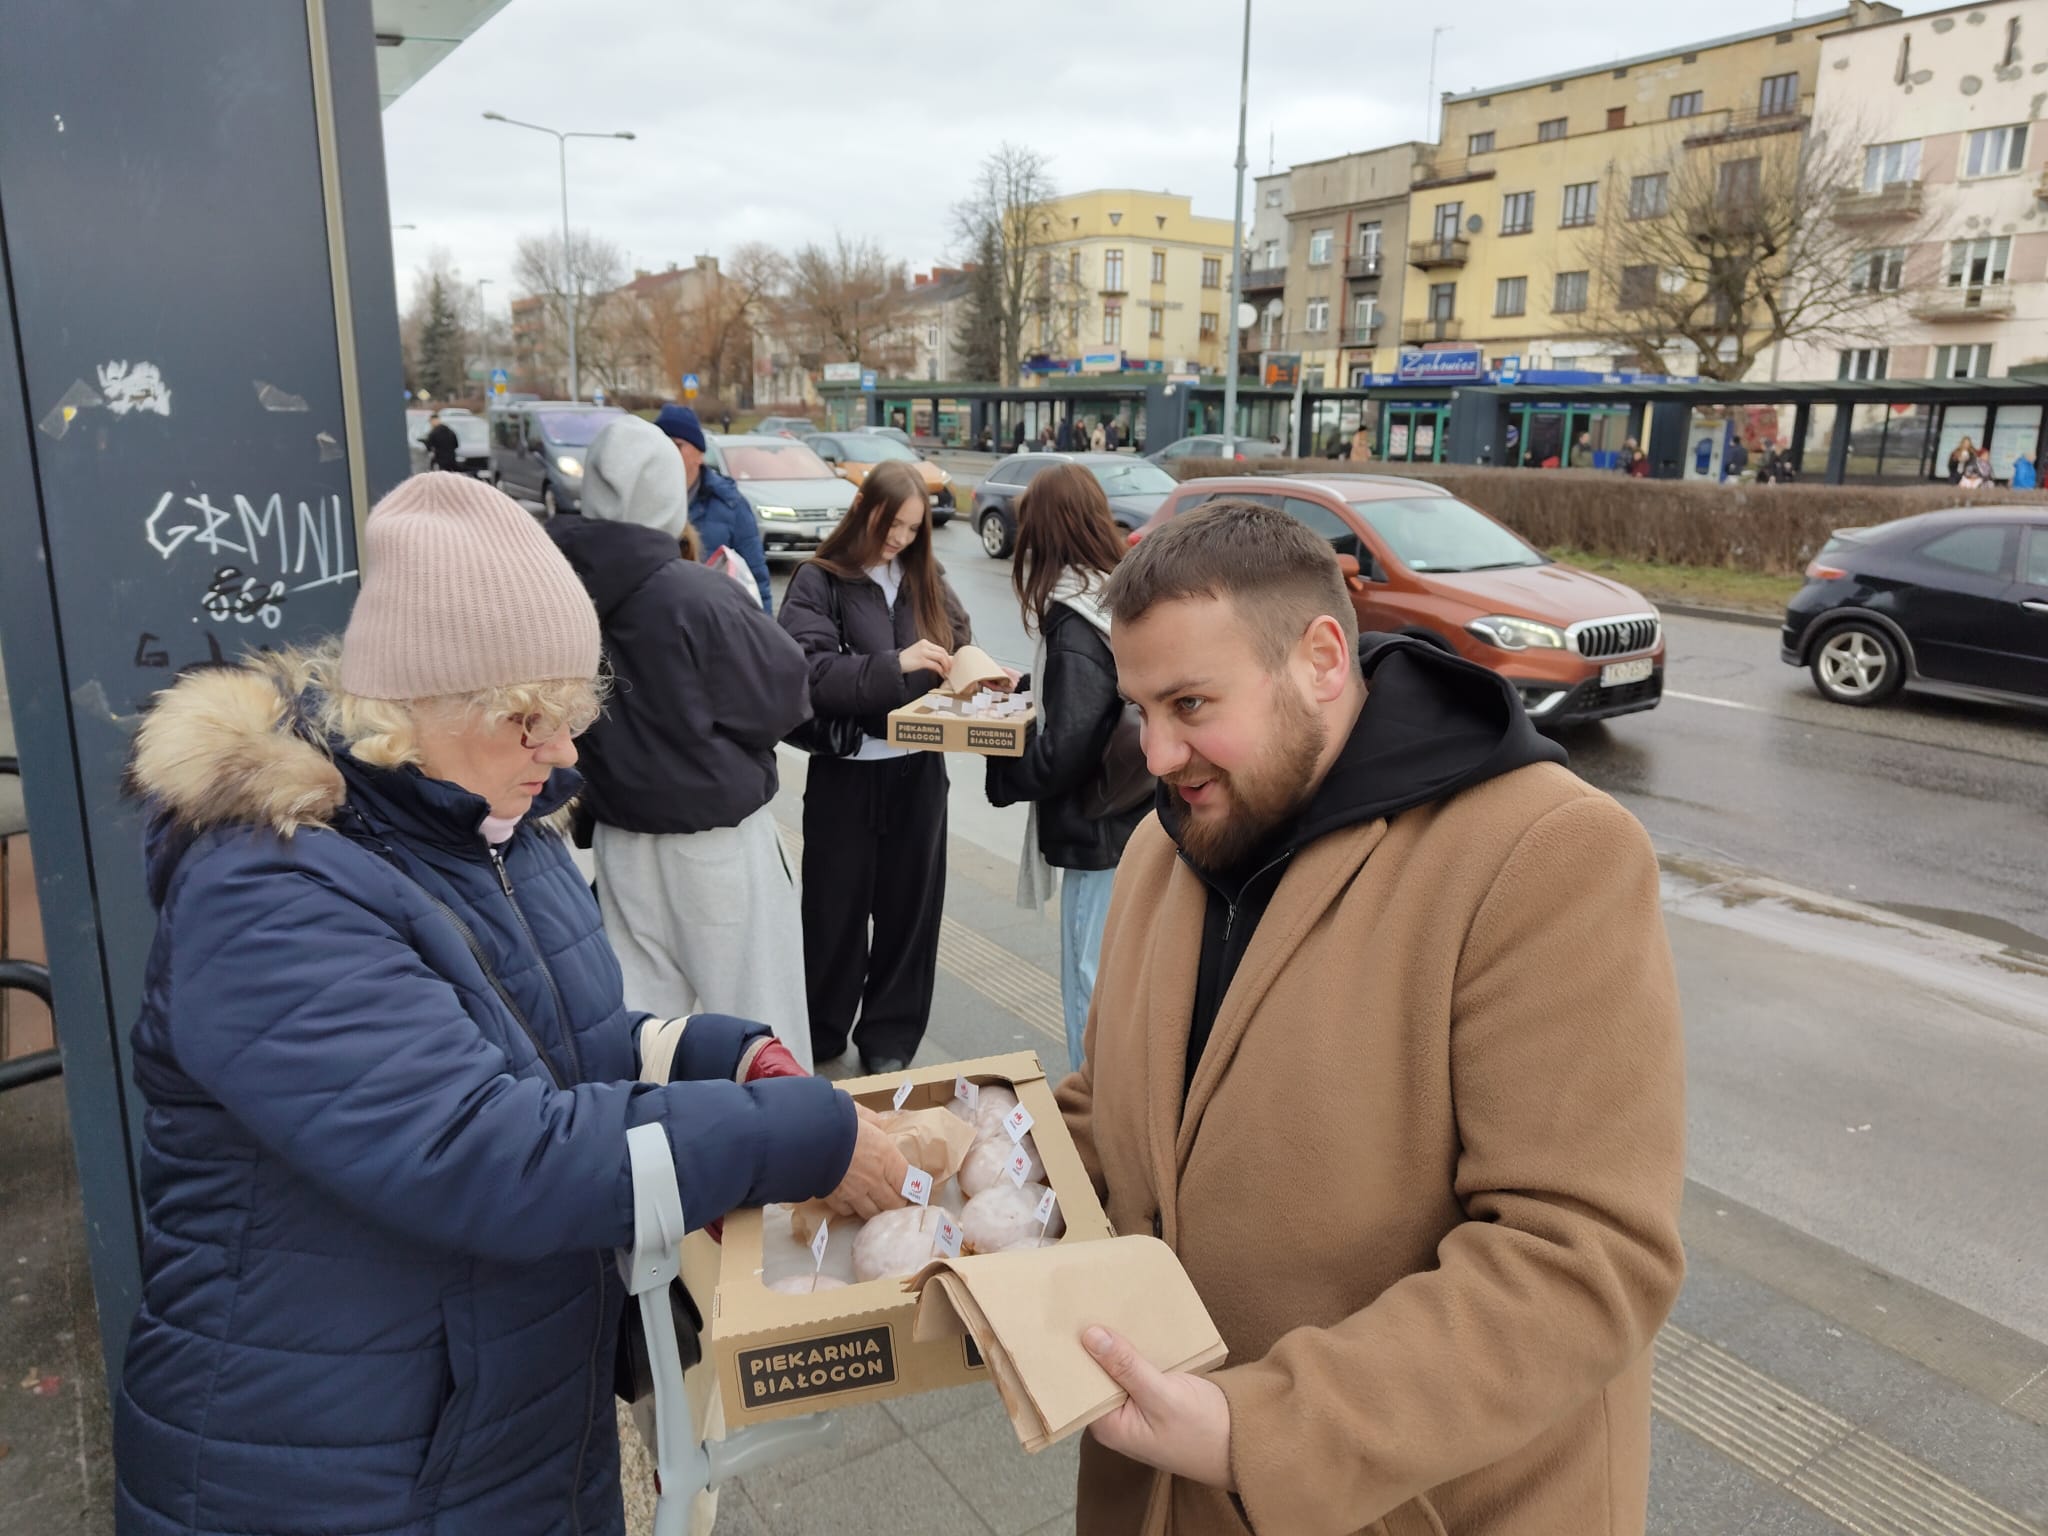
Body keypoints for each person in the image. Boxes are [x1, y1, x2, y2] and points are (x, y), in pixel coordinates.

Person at [114, 472, 910, 1536]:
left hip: (487, 1424)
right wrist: (792, 1135)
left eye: (573, 713)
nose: (565, 750)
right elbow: (489, 1150)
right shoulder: (272, 888)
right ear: (413, 707)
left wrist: (701, 1053)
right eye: (529, 718)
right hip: (333, 1463)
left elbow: (543, 1040)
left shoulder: (489, 827)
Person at [1057, 501, 1686, 1535]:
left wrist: (1259, 1433)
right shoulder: (1162, 848)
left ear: (1318, 660)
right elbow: (1116, 1108)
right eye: (1141, 709)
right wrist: (969, 1179)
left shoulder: (1545, 854)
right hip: (1160, 1492)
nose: (1157, 754)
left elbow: (1581, 1259)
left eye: (1190, 704)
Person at [549, 415, 815, 1062]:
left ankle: (656, 1129)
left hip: (619, 839)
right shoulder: (700, 596)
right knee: (760, 1021)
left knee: (644, 1030)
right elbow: (783, 699)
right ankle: (784, 1130)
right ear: (669, 495)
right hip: (717, 843)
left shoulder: (555, 596)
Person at [779, 461, 971, 1074]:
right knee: (832, 909)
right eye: (893, 525)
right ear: (864, 508)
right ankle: (821, 1028)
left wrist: (983, 674)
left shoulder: (926, 577)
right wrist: (895, 664)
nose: (900, 539)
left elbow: (960, 643)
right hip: (847, 773)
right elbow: (806, 673)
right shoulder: (819, 580)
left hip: (920, 773)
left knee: (909, 911)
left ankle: (889, 1038)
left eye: (913, 529)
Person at [984, 464, 1149, 1072]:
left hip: (1099, 832)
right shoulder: (1114, 594)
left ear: (1047, 533)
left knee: (1089, 982)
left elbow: (1067, 749)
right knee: (1118, 980)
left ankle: (1092, 1117)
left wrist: (996, 748)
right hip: (1136, 819)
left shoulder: (1075, 618)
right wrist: (1029, 689)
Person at [654, 403, 772, 613]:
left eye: (677, 445)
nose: (668, 453)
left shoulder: (731, 505)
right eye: (662, 444)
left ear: (699, 455)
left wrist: (765, 629)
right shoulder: (644, 502)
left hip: (714, 621)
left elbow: (756, 582)